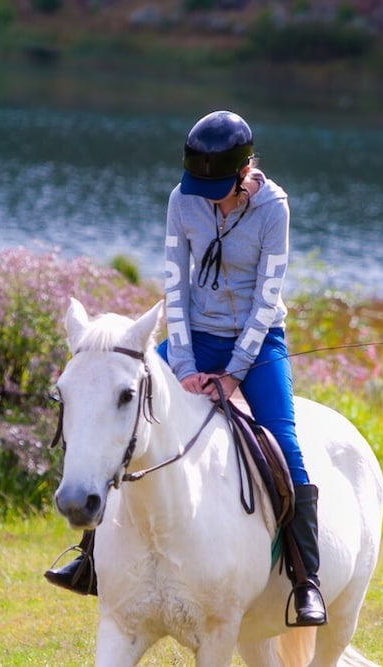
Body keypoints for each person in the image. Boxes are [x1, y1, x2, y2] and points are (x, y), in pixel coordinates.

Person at [45, 110, 327, 628]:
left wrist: (236, 371)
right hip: (191, 338)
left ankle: (306, 579)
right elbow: (174, 285)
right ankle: (90, 556)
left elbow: (269, 297)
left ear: (245, 173)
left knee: (285, 442)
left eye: (218, 187)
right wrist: (190, 365)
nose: (208, 196)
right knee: (127, 418)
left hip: (258, 341)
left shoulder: (274, 207)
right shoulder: (183, 199)